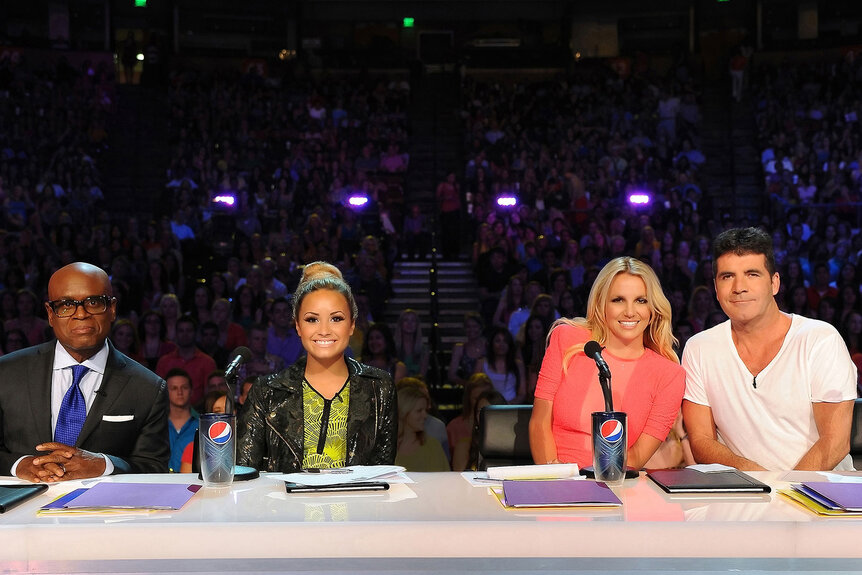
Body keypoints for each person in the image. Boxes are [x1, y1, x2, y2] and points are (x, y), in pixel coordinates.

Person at [682, 227, 857, 471]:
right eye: (727, 276)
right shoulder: (699, 349)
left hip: (821, 495)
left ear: (774, 283)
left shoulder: (820, 340)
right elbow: (702, 442)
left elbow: (835, 443)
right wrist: (763, 486)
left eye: (752, 274)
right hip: (748, 497)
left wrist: (786, 494)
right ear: (715, 287)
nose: (739, 287)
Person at [0, 262, 169, 482]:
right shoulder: (6, 373)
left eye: (94, 302)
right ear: (50, 314)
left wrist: (104, 465)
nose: (81, 314)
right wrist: (17, 465)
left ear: (112, 309)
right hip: (18, 512)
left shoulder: (148, 387)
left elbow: (155, 468)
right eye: (66, 305)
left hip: (103, 512)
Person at [530, 256, 685, 469]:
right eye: (618, 300)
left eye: (641, 300)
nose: (630, 311)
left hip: (617, 487)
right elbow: (540, 422)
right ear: (602, 304)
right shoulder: (567, 339)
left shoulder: (669, 375)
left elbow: (638, 456)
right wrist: (554, 476)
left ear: (653, 309)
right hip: (557, 480)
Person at [238, 268, 397, 472]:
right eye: (312, 319)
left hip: (359, 504)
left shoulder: (379, 387)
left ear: (351, 325)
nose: (324, 330)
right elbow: (245, 474)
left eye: (336, 318)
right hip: (282, 504)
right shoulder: (266, 391)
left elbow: (381, 476)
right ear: (298, 326)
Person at [395, 384, 450, 472]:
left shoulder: (433, 446)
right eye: (419, 411)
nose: (425, 416)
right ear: (404, 412)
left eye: (425, 411)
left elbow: (444, 481)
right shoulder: (386, 448)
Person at [166, 368, 198, 473]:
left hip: (193, 483)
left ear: (191, 391)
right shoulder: (156, 424)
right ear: (165, 392)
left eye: (184, 387)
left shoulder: (203, 426)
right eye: (174, 388)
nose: (179, 392)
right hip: (160, 482)